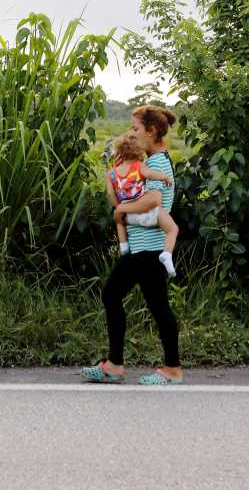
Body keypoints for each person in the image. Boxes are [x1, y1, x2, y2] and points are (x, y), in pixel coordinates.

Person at [82, 105, 184, 386]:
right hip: (143, 248)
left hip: (149, 249)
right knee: (154, 305)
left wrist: (122, 210)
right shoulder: (152, 161)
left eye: (136, 129)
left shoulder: (159, 163)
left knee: (115, 295)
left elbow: (153, 200)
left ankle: (122, 365)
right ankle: (140, 365)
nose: (132, 134)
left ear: (151, 131)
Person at [106, 130, 179, 277]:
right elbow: (152, 174)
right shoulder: (139, 166)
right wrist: (164, 177)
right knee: (172, 229)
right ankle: (167, 254)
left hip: (128, 216)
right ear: (139, 151)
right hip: (146, 212)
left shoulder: (111, 173)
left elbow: (110, 195)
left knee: (119, 221)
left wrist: (119, 206)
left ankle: (124, 246)